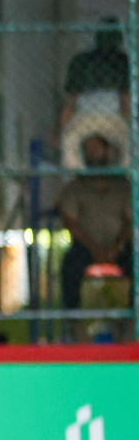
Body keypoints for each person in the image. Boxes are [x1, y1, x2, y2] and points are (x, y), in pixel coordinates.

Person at [58, 133, 133, 312]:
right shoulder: (75, 187)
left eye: (96, 148)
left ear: (108, 151)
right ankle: (77, 325)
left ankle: (130, 325)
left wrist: (117, 247)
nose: (91, 153)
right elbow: (71, 222)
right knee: (70, 267)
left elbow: (130, 221)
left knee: (134, 264)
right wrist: (95, 250)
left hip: (121, 247)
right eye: (88, 149)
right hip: (86, 247)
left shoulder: (123, 185)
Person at [58, 19, 130, 170]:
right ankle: (126, 180)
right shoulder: (122, 60)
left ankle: (75, 176)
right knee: (129, 144)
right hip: (107, 117)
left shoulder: (84, 60)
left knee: (69, 141)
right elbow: (125, 99)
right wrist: (130, 123)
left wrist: (61, 128)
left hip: (90, 116)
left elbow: (71, 100)